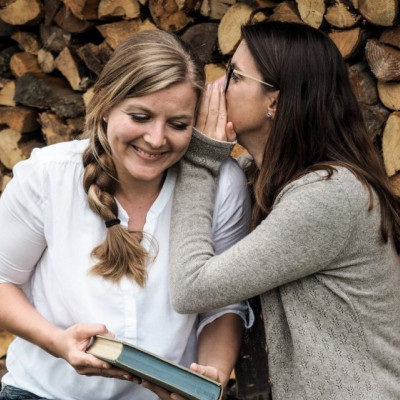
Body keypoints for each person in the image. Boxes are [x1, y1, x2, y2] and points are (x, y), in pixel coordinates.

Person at [0, 29, 253, 400]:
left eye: (178, 124)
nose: (155, 138)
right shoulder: (49, 174)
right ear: (105, 105)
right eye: (140, 116)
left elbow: (224, 304)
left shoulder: (222, 185)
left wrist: (207, 381)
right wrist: (57, 341)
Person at [169, 20, 400, 400]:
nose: (216, 88)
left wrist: (200, 160)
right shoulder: (261, 179)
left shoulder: (329, 195)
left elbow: (191, 289)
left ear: (273, 102)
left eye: (234, 76)